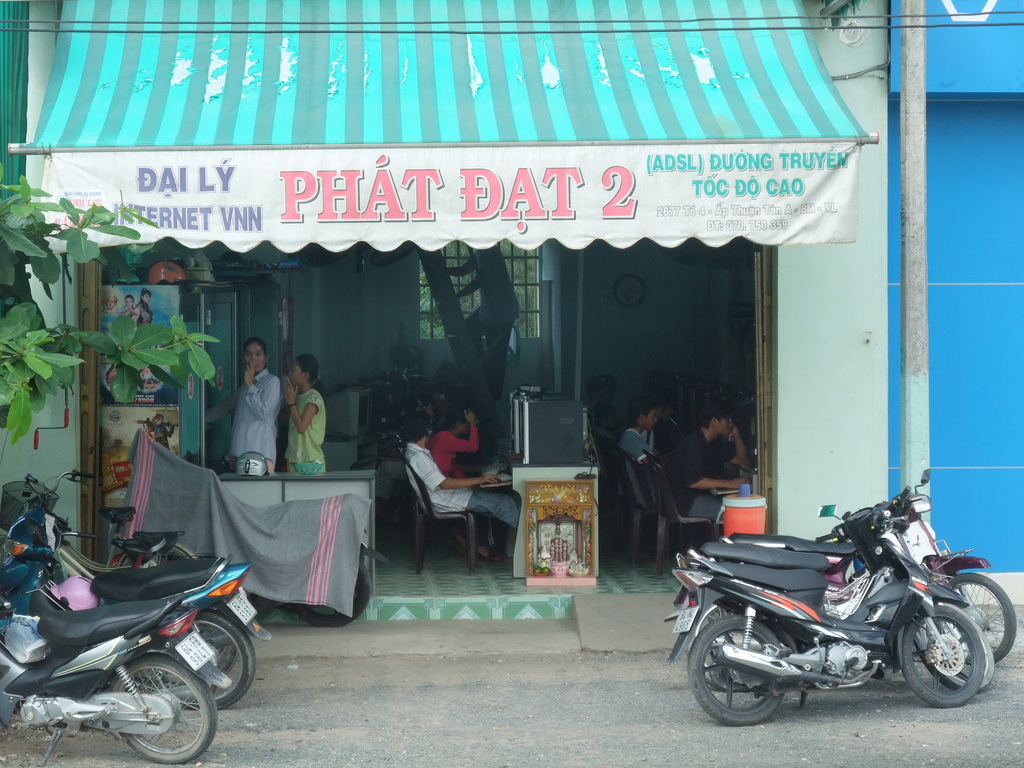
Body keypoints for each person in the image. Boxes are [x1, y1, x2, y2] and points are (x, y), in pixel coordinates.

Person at [404, 413, 519, 562]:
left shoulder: (414, 452)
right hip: (445, 499)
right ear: (427, 430)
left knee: (493, 500)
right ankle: (531, 538)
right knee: (504, 501)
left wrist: (474, 481)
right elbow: (443, 483)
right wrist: (479, 479)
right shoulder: (419, 457)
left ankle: (480, 543)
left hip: (444, 497)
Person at [662, 400, 750, 521]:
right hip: (684, 503)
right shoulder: (693, 443)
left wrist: (736, 433)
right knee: (739, 511)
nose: (731, 423)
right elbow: (693, 481)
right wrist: (728, 483)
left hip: (695, 498)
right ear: (714, 422)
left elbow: (743, 462)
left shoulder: (714, 444)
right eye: (728, 420)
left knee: (738, 505)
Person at [205, 337, 281, 472]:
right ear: (243, 359)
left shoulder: (272, 382)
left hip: (261, 452)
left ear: (266, 357)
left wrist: (250, 385)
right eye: (248, 354)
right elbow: (224, 407)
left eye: (258, 354)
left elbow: (263, 413)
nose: (253, 359)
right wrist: (201, 419)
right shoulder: (245, 386)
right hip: (239, 453)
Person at [283, 354, 326, 474]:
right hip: (294, 457)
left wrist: (291, 403)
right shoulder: (297, 397)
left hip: (310, 461)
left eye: (293, 370)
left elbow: (301, 427)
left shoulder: (313, 397)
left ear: (305, 375)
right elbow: (283, 418)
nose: (289, 373)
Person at [427, 407, 480, 479]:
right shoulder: (446, 438)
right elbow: (473, 447)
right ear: (458, 424)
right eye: (468, 423)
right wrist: (473, 424)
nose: (469, 426)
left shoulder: (443, 436)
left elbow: (455, 470)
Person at [618, 395, 659, 462]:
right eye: (653, 415)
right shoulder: (635, 440)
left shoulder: (628, 435)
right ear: (642, 416)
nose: (656, 419)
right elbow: (655, 466)